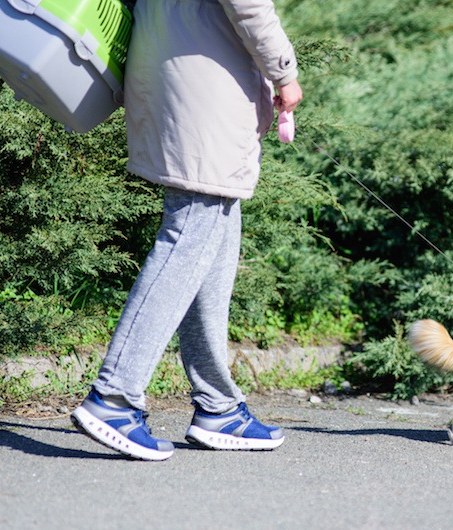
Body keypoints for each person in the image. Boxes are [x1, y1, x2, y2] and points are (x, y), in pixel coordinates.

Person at [70, 0, 302, 461]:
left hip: (168, 72)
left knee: (215, 231)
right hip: (206, 88)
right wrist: (284, 72)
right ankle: (115, 398)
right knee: (189, 234)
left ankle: (217, 406)